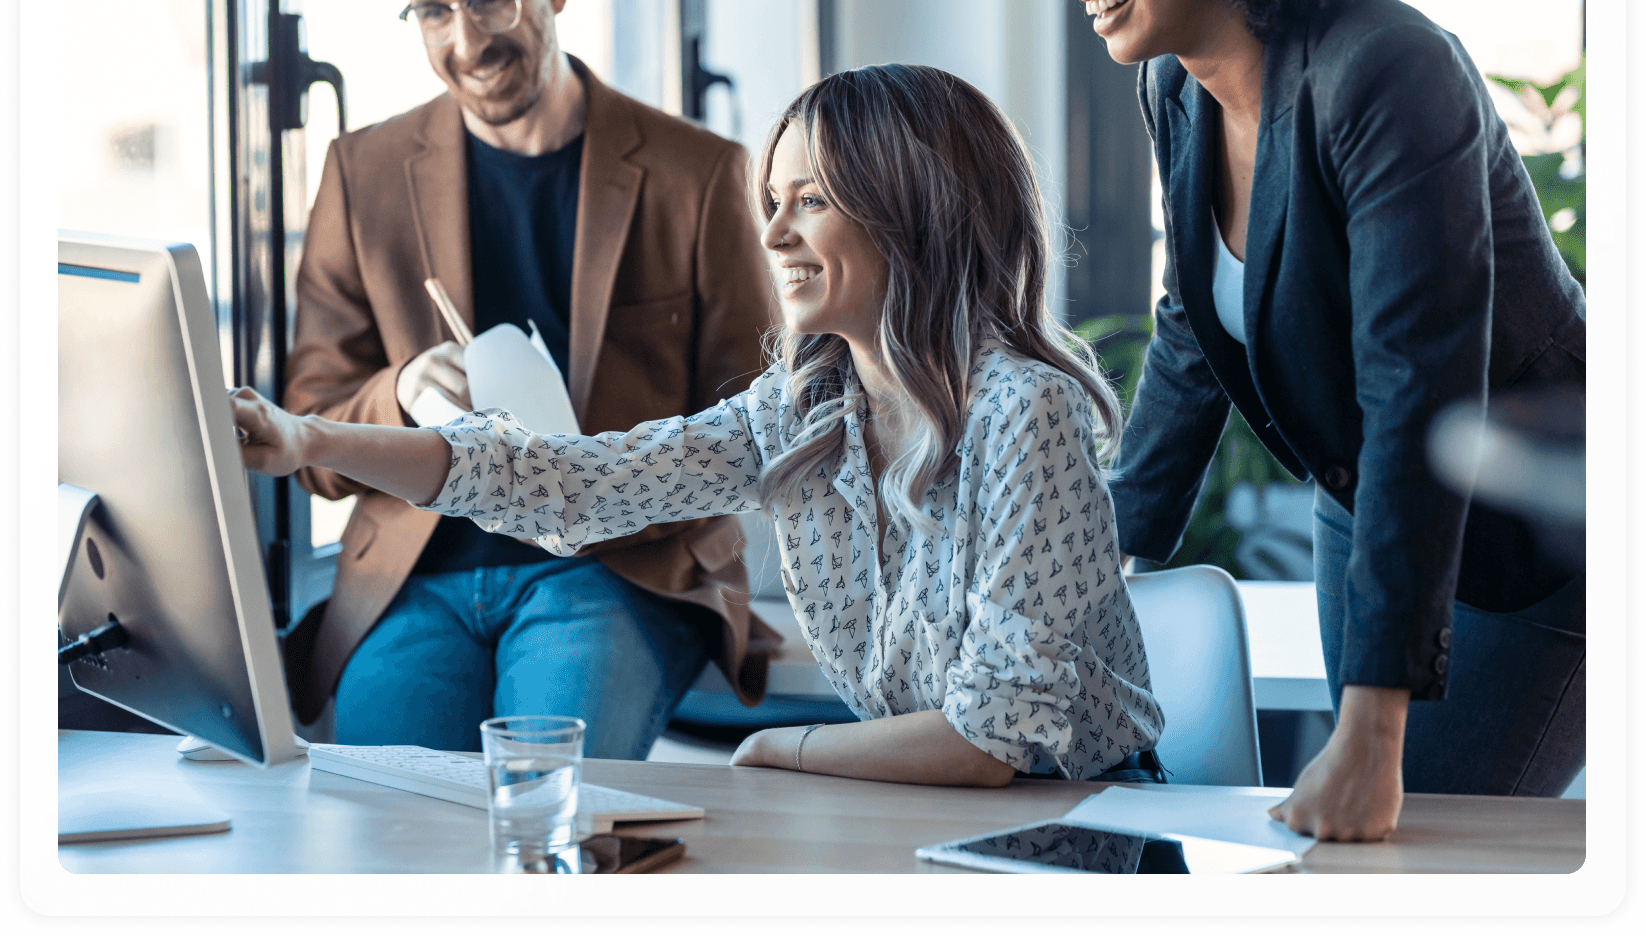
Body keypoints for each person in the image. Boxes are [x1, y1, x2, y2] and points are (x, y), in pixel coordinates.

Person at [238, 63, 1167, 787]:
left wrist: (782, 752)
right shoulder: (806, 407)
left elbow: (987, 741)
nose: (771, 237)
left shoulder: (1024, 410)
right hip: (937, 814)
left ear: (912, 212)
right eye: (774, 202)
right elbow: (567, 484)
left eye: (810, 201)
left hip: (1085, 832)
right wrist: (310, 440)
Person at [967, 0, 1586, 837]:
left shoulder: (1387, 69)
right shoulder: (1174, 89)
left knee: (1417, 852)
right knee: (1338, 857)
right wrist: (1092, 563)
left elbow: (1414, 390)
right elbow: (1188, 341)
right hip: (1365, 509)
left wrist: (1372, 732)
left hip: (1537, 534)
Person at [280, 0, 775, 757]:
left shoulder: (697, 174)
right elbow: (310, 424)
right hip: (415, 572)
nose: (466, 40)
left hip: (616, 566)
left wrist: (606, 489)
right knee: (386, 817)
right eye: (432, 12)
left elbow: (756, 420)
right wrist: (396, 392)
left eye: (492, 0)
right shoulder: (363, 173)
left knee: (549, 795)